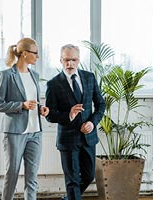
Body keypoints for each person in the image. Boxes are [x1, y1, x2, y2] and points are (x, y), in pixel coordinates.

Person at [45, 44, 106, 200]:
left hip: (88, 138)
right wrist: (69, 115)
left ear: (78, 60)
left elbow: (100, 104)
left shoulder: (89, 77)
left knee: (88, 175)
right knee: (72, 182)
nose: (70, 64)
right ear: (60, 60)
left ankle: (68, 198)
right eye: (66, 60)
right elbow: (50, 115)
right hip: (68, 139)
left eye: (73, 60)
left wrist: (92, 122)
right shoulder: (53, 84)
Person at [0, 37, 49, 200]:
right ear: (24, 53)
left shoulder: (35, 75)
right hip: (15, 133)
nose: (38, 57)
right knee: (12, 174)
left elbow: (33, 101)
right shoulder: (6, 75)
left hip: (35, 132)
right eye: (35, 53)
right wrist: (21, 105)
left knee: (32, 178)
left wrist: (41, 109)